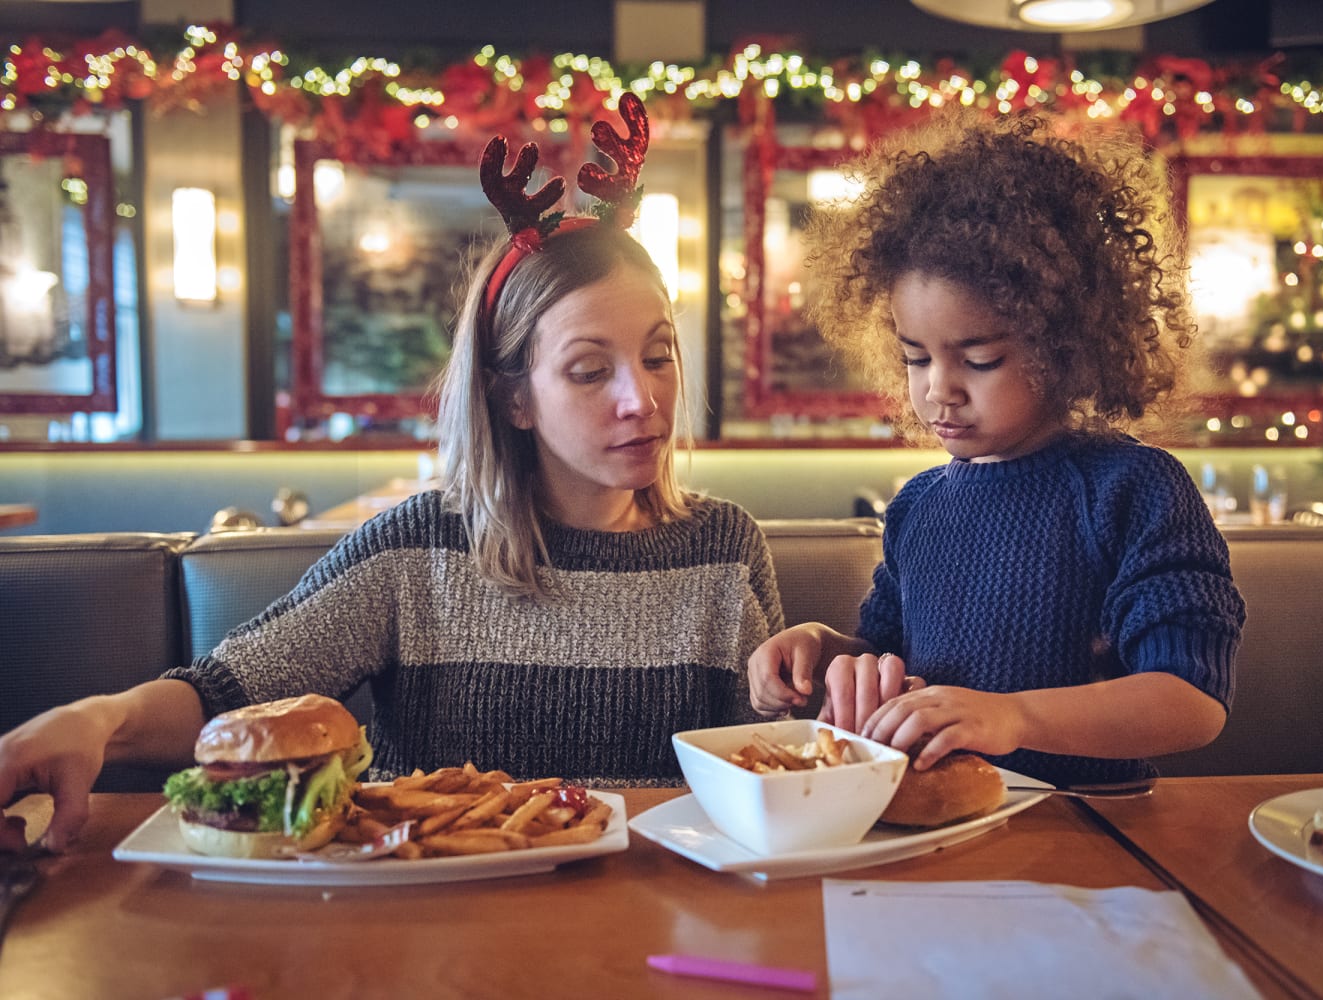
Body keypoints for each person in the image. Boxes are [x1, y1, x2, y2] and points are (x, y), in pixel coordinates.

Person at [0, 95, 782, 851]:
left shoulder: (724, 550)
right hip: (425, 928)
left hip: (647, 933)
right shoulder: (417, 549)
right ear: (513, 399)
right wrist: (99, 719)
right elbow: (226, 696)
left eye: (657, 356)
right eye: (587, 371)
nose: (640, 399)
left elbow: (774, 778)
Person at [748, 109, 1245, 788]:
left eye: (979, 360)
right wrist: (825, 652)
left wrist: (1013, 718)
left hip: (1090, 834)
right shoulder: (920, 506)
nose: (938, 391)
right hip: (938, 831)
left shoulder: (1132, 489)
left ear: (1065, 346)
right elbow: (893, 656)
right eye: (915, 357)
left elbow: (1192, 701)